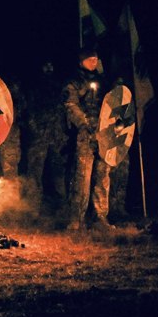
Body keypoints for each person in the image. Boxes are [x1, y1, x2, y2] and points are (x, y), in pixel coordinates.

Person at [63, 48, 112, 230]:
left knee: (102, 175)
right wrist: (84, 124)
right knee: (82, 176)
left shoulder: (102, 81)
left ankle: (100, 217)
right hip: (85, 134)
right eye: (90, 59)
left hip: (104, 134)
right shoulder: (74, 82)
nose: (93, 62)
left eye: (95, 59)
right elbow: (70, 105)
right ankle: (76, 219)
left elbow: (113, 104)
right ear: (81, 61)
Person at [23, 61, 67, 218]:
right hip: (39, 136)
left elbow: (62, 110)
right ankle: (32, 211)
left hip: (56, 136)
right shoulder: (34, 87)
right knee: (35, 173)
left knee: (59, 173)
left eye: (51, 65)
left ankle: (62, 209)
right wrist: (35, 130)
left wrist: (62, 133)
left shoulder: (58, 86)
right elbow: (29, 111)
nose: (48, 68)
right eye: (46, 65)